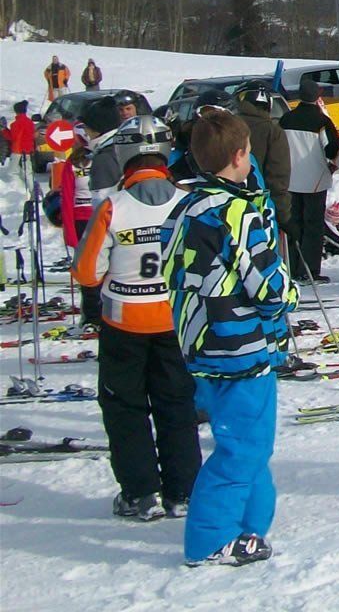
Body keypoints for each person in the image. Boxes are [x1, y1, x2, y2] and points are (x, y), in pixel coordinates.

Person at [160, 107, 296, 567]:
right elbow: (267, 285)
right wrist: (287, 296)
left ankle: (249, 524)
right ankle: (210, 539)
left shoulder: (185, 207)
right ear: (240, 156)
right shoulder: (235, 212)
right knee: (243, 447)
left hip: (204, 345)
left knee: (245, 442)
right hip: (239, 347)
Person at [72, 116, 201, 523]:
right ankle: (183, 491)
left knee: (124, 407)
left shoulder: (113, 206)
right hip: (175, 321)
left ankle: (141, 493)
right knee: (177, 405)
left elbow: (86, 272)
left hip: (124, 323)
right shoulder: (187, 202)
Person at [279, 79, 339, 284]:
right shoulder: (321, 121)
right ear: (317, 96)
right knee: (313, 227)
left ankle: (292, 268)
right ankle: (310, 271)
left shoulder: (285, 119)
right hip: (315, 181)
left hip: (290, 180)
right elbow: (333, 149)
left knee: (294, 225)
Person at [234, 82, 292, 241]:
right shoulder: (273, 131)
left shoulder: (229, 128)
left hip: (228, 206)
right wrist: (284, 216)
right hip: (261, 210)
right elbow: (278, 178)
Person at [6, 101, 35, 174]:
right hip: (28, 150)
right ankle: (29, 182)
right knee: (28, 172)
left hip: (17, 150)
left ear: (16, 111)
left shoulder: (15, 124)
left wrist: (4, 130)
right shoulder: (30, 122)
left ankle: (16, 182)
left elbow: (13, 138)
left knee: (12, 172)